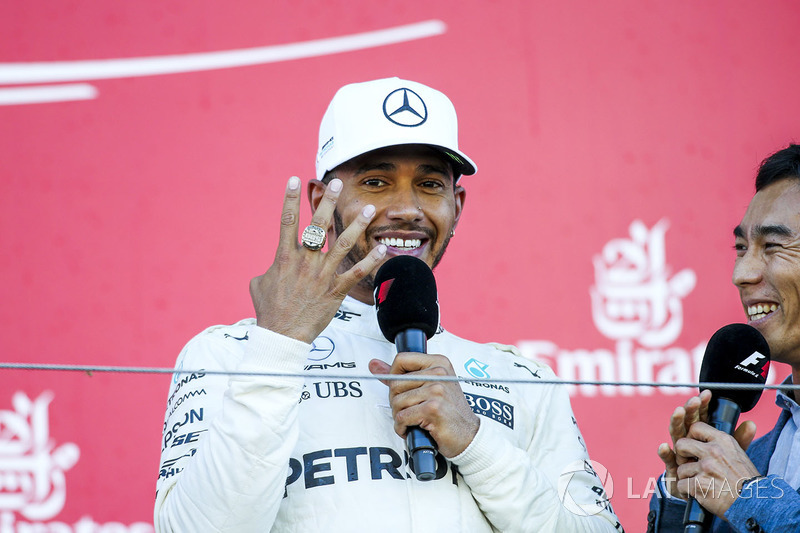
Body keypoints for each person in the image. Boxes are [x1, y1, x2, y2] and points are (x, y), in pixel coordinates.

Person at [153, 77, 622, 532]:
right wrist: (279, 344)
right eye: (376, 182)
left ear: (457, 205)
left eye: (430, 185)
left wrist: (476, 444)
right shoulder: (231, 354)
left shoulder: (523, 379)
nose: (407, 208)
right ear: (321, 201)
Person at [648, 144, 800, 532]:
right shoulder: (758, 456)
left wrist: (749, 495)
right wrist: (682, 504)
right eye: (740, 248)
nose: (742, 273)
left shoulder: (747, 478)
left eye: (772, 246)